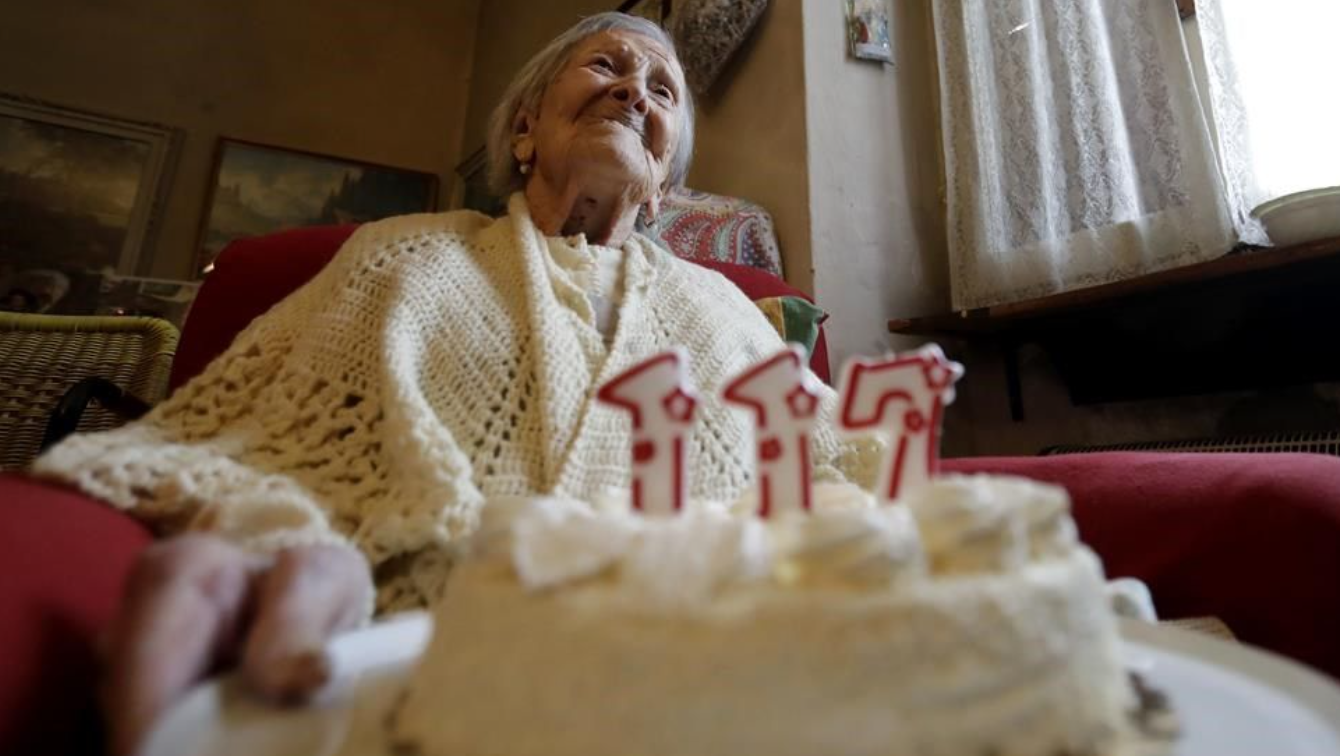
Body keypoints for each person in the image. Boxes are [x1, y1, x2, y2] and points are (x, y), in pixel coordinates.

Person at [29, 13, 874, 756]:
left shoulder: (726, 309)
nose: (633, 93)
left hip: (705, 670)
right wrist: (282, 534)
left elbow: (843, 470)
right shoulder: (401, 255)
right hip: (408, 661)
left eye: (662, 89)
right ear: (522, 131)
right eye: (607, 66)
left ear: (664, 185)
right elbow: (246, 443)